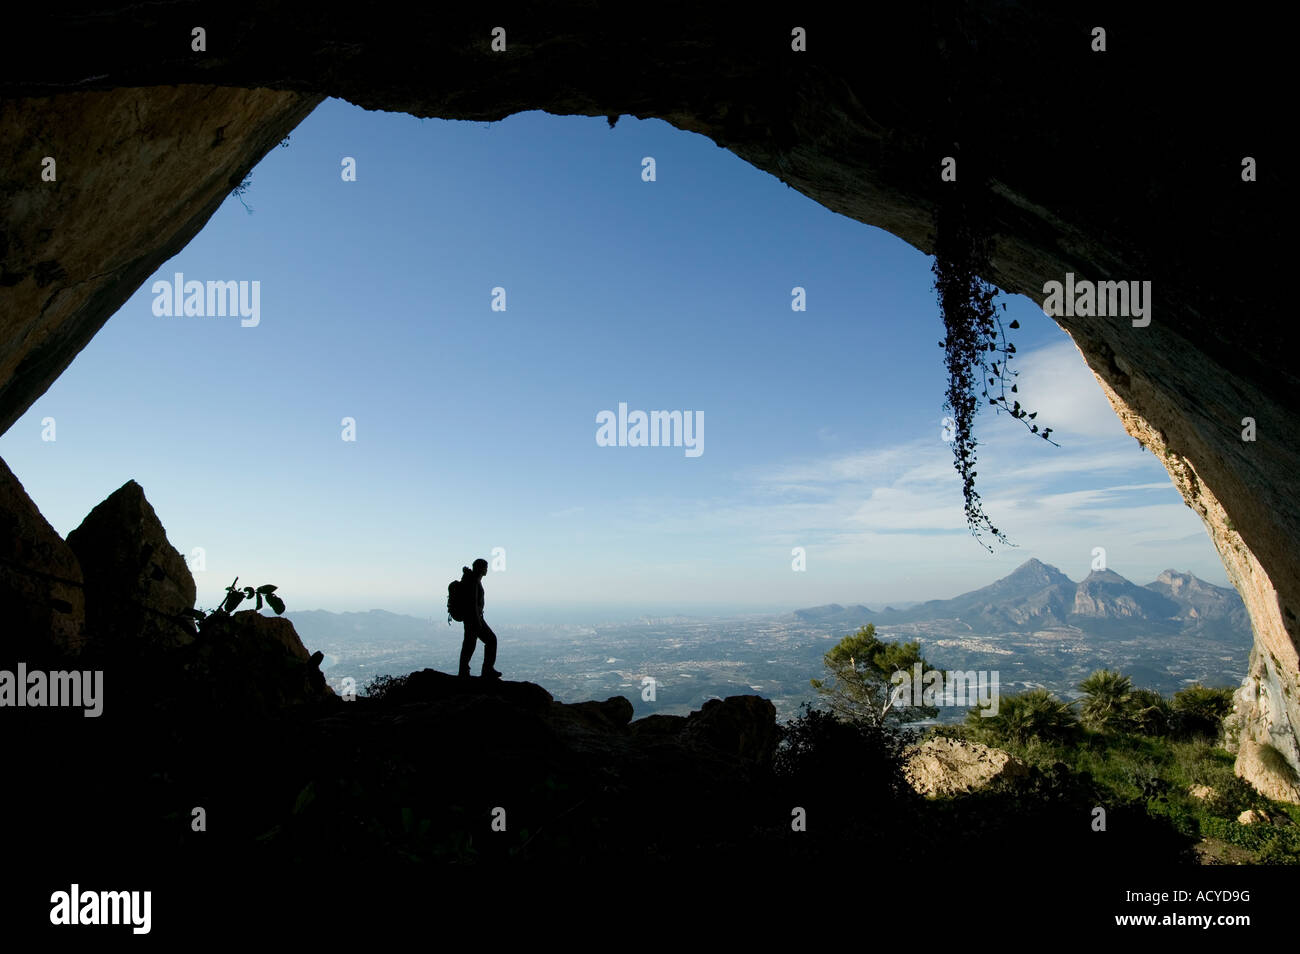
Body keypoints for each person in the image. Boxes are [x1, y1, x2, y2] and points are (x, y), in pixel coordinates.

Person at [458, 558, 501, 679]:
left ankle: (464, 671)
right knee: (490, 640)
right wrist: (477, 620)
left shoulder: (472, 579)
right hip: (474, 618)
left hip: (472, 618)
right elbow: (472, 603)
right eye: (485, 567)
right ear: (481, 568)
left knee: (469, 644)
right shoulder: (473, 581)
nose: (486, 570)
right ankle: (486, 670)